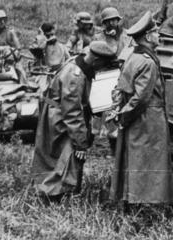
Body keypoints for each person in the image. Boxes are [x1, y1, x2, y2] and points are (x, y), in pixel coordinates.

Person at [30, 41, 117, 199]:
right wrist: (81, 143)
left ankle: (54, 190)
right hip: (60, 118)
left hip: (58, 113)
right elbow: (72, 113)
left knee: (54, 155)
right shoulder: (75, 75)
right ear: (96, 61)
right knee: (68, 154)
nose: (99, 71)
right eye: (101, 66)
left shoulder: (78, 60)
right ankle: (58, 193)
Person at [110, 11, 172, 206]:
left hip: (137, 119)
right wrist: (124, 117)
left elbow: (121, 89)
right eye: (155, 32)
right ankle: (144, 204)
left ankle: (131, 199)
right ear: (147, 36)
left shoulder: (133, 57)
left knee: (134, 159)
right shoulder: (147, 62)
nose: (159, 35)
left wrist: (121, 115)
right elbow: (141, 98)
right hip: (148, 119)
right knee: (148, 161)